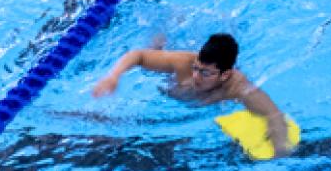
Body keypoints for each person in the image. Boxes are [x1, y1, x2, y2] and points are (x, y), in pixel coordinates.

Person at [93, 33, 291, 157]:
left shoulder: (238, 88)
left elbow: (273, 115)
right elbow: (138, 55)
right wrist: (113, 77)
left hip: (192, 100)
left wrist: (279, 152)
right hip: (166, 86)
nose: (196, 76)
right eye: (196, 68)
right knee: (155, 49)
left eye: (205, 73)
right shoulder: (183, 62)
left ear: (226, 75)